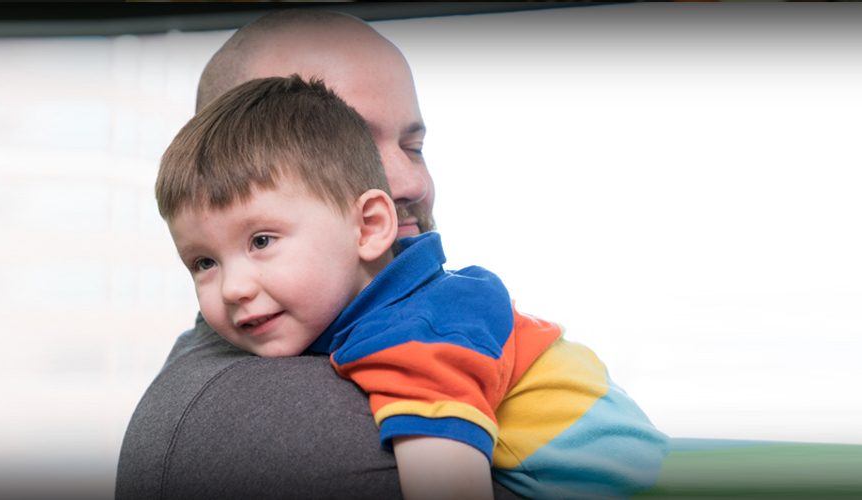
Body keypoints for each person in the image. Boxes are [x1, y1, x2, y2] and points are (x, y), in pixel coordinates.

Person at [116, 10, 666, 500]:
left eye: (413, 145)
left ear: (371, 225)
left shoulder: (413, 325)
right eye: (347, 139)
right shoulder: (257, 411)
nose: (406, 180)